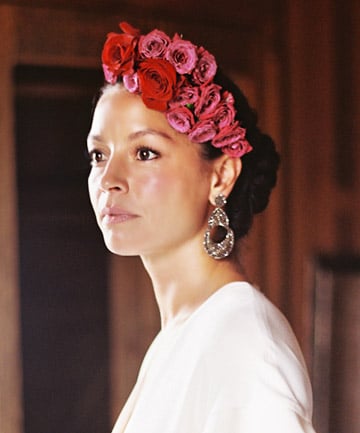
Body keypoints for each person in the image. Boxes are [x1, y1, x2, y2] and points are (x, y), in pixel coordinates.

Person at [87, 21, 316, 433]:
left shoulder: (243, 342)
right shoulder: (182, 334)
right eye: (99, 155)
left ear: (221, 176)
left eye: (144, 152)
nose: (109, 179)